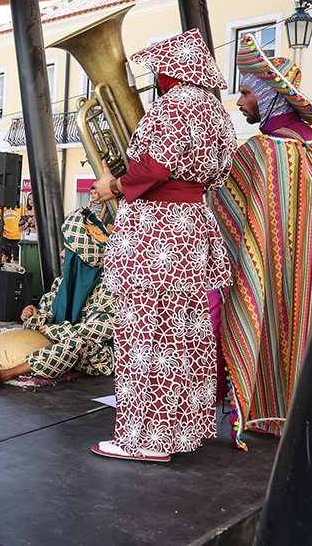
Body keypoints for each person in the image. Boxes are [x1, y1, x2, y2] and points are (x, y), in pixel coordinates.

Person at [92, 29, 235, 462]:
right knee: (183, 337)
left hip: (156, 233)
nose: (153, 78)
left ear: (173, 70)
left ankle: (142, 440)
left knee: (144, 335)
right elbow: (216, 175)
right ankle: (180, 432)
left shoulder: (171, 108)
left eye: (158, 69)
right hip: (191, 229)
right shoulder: (217, 113)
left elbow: (152, 169)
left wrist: (111, 185)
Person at [210, 38, 312, 448]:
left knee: (263, 324)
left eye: (246, 92)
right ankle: (297, 415)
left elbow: (219, 208)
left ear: (268, 96)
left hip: (264, 268)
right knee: (300, 332)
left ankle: (263, 412)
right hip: (311, 270)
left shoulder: (260, 150)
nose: (240, 100)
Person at [0, 208, 115, 386]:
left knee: (73, 344)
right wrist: (34, 316)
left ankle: (6, 374)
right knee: (7, 332)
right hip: (55, 340)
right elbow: (45, 316)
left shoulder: (109, 287)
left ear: (80, 258)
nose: (61, 254)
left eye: (67, 250)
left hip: (95, 355)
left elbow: (107, 328)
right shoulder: (61, 283)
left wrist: (58, 331)